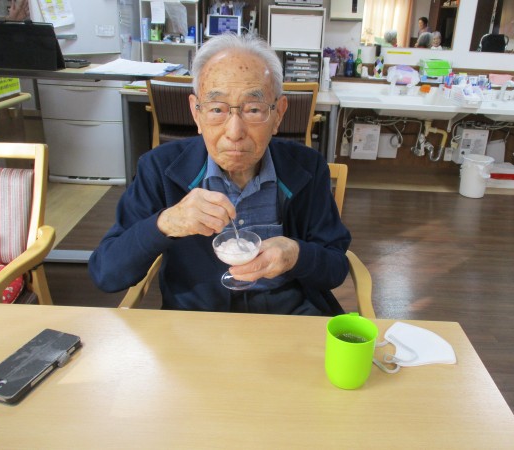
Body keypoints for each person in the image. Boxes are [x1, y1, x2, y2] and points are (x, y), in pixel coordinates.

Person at [89, 33, 351, 316]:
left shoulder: (307, 167)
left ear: (278, 114)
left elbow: (335, 267)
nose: (234, 132)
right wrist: (166, 223)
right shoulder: (159, 169)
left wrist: (296, 255)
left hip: (287, 319)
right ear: (196, 113)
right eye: (217, 109)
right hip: (199, 323)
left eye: (253, 109)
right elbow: (107, 273)